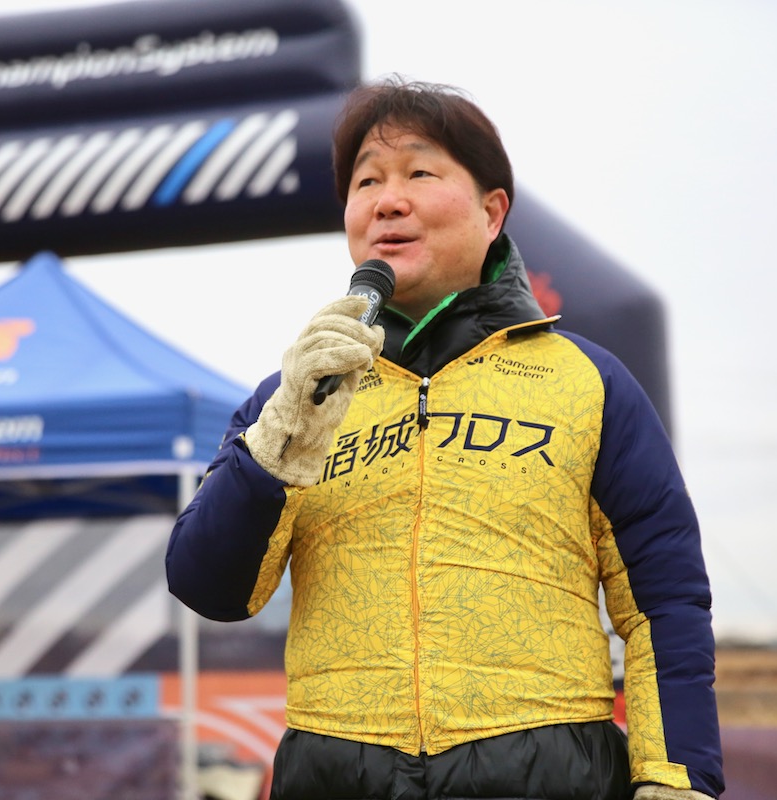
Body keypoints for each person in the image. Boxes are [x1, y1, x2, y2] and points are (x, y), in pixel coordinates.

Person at [167, 78, 724, 800]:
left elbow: (665, 602)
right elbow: (210, 588)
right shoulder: (291, 396)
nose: (386, 200)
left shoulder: (589, 381)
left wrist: (675, 778)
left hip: (547, 772)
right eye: (367, 181)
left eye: (419, 173)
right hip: (335, 773)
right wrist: (280, 441)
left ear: (493, 212)